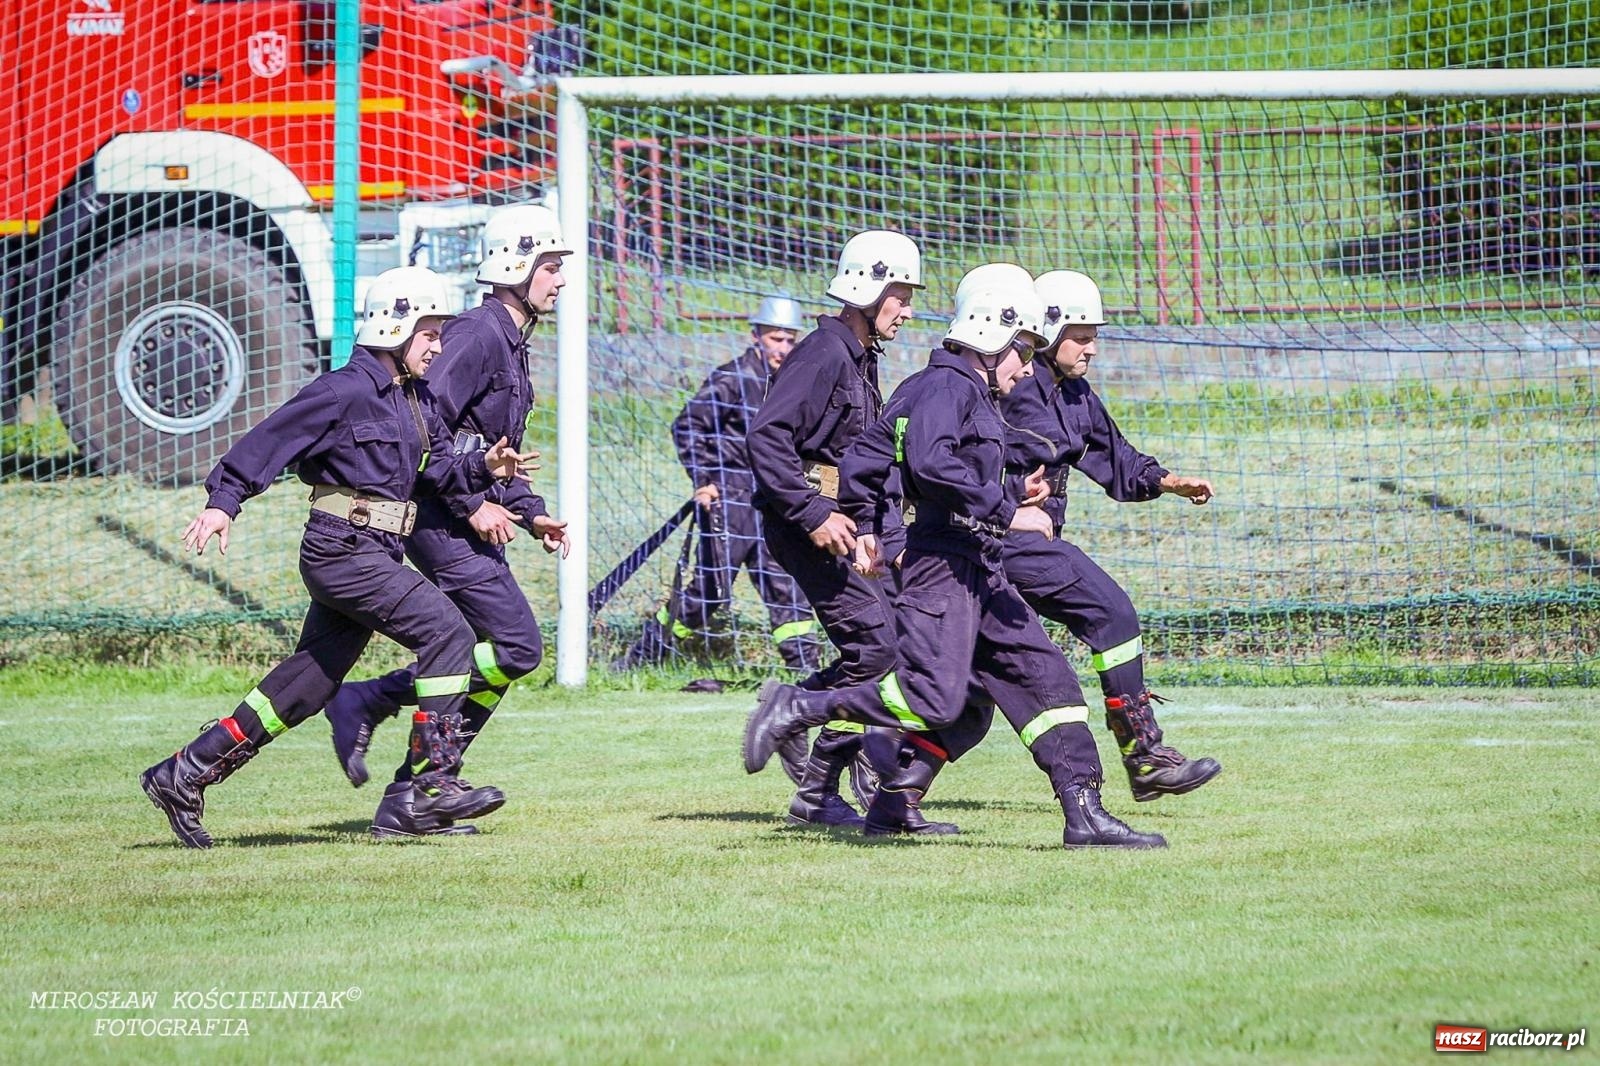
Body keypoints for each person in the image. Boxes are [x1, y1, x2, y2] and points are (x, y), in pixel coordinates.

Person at [743, 277, 1167, 849]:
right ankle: (800, 706)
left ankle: (1084, 812)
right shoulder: (946, 387)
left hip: (980, 565)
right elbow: (931, 463)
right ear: (990, 340)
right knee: (933, 697)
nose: (1027, 370)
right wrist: (1006, 511)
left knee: (1048, 679)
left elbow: (869, 456)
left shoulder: (962, 390)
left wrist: (876, 524)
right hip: (943, 569)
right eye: (1024, 351)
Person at [139, 267, 534, 847]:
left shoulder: (417, 398)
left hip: (376, 551)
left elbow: (441, 470)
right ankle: (429, 786)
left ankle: (185, 771)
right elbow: (266, 444)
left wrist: (484, 467)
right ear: (395, 328)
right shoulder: (340, 391)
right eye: (429, 334)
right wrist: (224, 503)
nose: (438, 346)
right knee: (448, 632)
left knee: (310, 683)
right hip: (340, 551)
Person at [323, 203, 573, 836]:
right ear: (516, 267)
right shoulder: (477, 336)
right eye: (550, 266)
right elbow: (423, 432)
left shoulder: (511, 342)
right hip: (439, 519)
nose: (560, 279)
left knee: (497, 654)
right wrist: (472, 504)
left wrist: (532, 512)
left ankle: (414, 794)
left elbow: (488, 450)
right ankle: (374, 706)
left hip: (462, 515)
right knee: (517, 647)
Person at [1000, 268, 1220, 801]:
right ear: (1047, 332)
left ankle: (889, 780)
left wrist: (1169, 482)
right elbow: (958, 466)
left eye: (1094, 336)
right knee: (1112, 613)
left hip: (1032, 544)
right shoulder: (1008, 388)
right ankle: (1144, 756)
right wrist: (1007, 506)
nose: (1092, 348)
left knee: (969, 689)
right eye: (1081, 336)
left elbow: (1114, 458)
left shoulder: (1075, 393)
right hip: (1001, 541)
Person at [743, 231, 922, 829]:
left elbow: (856, 461)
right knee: (876, 649)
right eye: (900, 296)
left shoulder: (860, 358)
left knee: (890, 649)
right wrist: (813, 513)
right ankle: (799, 722)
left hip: (846, 525)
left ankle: (824, 773)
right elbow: (767, 437)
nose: (907, 311)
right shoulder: (823, 353)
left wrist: (875, 531)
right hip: (806, 526)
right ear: (868, 291)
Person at [612, 295, 824, 674]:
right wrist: (705, 480)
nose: (783, 348)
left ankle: (808, 672)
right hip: (731, 498)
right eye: (776, 339)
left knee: (786, 588)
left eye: (790, 340)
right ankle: (641, 659)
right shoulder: (731, 378)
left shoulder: (789, 383)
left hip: (773, 500)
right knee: (709, 593)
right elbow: (687, 426)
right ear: (756, 335)